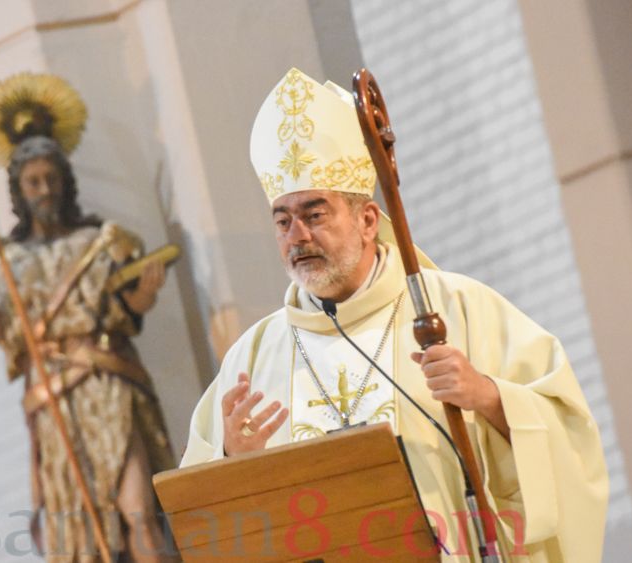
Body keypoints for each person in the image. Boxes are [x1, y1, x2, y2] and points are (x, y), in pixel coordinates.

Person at [180, 68, 608, 561]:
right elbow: (200, 510)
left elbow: (571, 436)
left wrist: (487, 396)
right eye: (283, 221)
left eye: (315, 215)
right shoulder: (254, 356)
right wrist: (232, 461)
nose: (297, 236)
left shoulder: (455, 309)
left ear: (366, 221)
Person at [0, 73, 175, 562]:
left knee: (137, 510)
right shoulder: (8, 260)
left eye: (51, 178)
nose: (45, 189)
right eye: (33, 181)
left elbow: (125, 311)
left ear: (66, 180)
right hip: (54, 400)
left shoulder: (100, 241)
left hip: (108, 385)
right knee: (80, 533)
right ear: (18, 188)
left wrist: (142, 297)